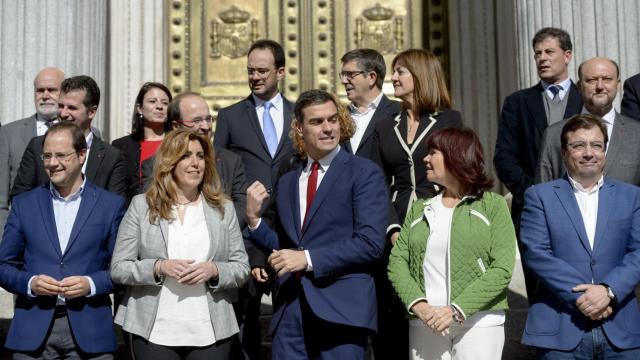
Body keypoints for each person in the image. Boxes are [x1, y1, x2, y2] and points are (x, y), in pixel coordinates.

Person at [246, 89, 388, 359]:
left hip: (342, 312)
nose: (328, 128)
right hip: (290, 312)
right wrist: (254, 222)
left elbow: (370, 245)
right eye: (317, 122)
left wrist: (307, 259)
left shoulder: (363, 172)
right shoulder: (289, 179)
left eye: (332, 120)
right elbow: (288, 249)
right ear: (299, 128)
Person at [111, 128, 250, 359]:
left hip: (210, 330)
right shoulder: (142, 206)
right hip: (152, 329)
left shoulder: (223, 209)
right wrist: (158, 267)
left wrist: (214, 270)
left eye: (200, 155)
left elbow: (241, 267)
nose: (195, 163)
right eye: (185, 155)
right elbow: (119, 268)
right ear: (169, 162)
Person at [0, 122, 126, 358]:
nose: (52, 163)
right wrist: (31, 283)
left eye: (60, 155)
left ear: (81, 155)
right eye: (47, 155)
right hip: (33, 332)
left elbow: (123, 268)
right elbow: (4, 266)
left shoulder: (110, 205)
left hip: (91, 332)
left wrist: (91, 283)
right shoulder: (24, 204)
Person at [388, 127, 515, 360]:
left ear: (456, 155)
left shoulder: (493, 205)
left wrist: (455, 310)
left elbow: (503, 269)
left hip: (479, 322)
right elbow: (397, 262)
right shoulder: (420, 208)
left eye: (433, 152)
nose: (425, 158)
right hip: (425, 322)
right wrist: (419, 306)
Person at [520, 114, 640, 358]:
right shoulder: (539, 196)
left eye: (596, 145)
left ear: (605, 151)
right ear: (564, 153)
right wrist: (587, 298)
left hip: (621, 330)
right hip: (560, 329)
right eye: (578, 145)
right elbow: (536, 253)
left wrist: (608, 291)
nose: (589, 153)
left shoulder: (632, 196)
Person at [373, 48, 462, 355]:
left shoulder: (449, 120)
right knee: (393, 307)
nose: (393, 77)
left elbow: (459, 173)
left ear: (421, 76)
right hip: (394, 219)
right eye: (393, 71)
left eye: (401, 71)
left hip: (436, 219)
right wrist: (391, 227)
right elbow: (376, 181)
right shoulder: (385, 125)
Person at [214, 39, 296, 359]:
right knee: (244, 325)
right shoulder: (231, 116)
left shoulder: (298, 115)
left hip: (289, 236)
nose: (256, 76)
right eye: (250, 71)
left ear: (281, 72)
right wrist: (250, 249)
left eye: (262, 70)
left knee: (289, 323)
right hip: (245, 238)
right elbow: (220, 183)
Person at [493, 27, 583, 302]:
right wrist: (532, 193)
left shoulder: (586, 99)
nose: (542, 58)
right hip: (533, 209)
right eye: (537, 54)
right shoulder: (518, 103)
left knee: (581, 286)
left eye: (549, 52)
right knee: (540, 292)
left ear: (567, 55)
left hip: (582, 204)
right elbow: (504, 157)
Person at [140, 91, 247, 229]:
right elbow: (151, 209)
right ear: (176, 126)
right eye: (197, 121)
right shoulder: (153, 165)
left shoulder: (231, 162)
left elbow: (241, 208)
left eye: (208, 119)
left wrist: (209, 233)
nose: (206, 127)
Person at [10, 75, 127, 200]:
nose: (63, 114)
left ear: (91, 112)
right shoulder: (37, 146)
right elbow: (20, 197)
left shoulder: (112, 157)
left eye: (72, 108)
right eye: (60, 106)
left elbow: (115, 207)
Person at [537, 57, 640, 184]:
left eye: (607, 79)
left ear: (617, 85)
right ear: (579, 87)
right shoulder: (554, 134)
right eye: (591, 80)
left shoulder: (637, 134)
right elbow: (543, 191)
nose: (600, 86)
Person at [0, 67, 64, 237]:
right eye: (40, 90)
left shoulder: (87, 133)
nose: (45, 95)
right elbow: (1, 200)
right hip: (24, 232)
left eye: (52, 90)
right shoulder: (8, 133)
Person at [112, 82, 172, 202]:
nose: (159, 106)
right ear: (140, 108)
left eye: (165, 103)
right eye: (152, 101)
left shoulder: (179, 142)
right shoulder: (121, 146)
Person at [339, 48, 400, 160]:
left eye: (350, 74)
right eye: (342, 75)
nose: (344, 81)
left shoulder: (399, 113)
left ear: (371, 77)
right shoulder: (337, 117)